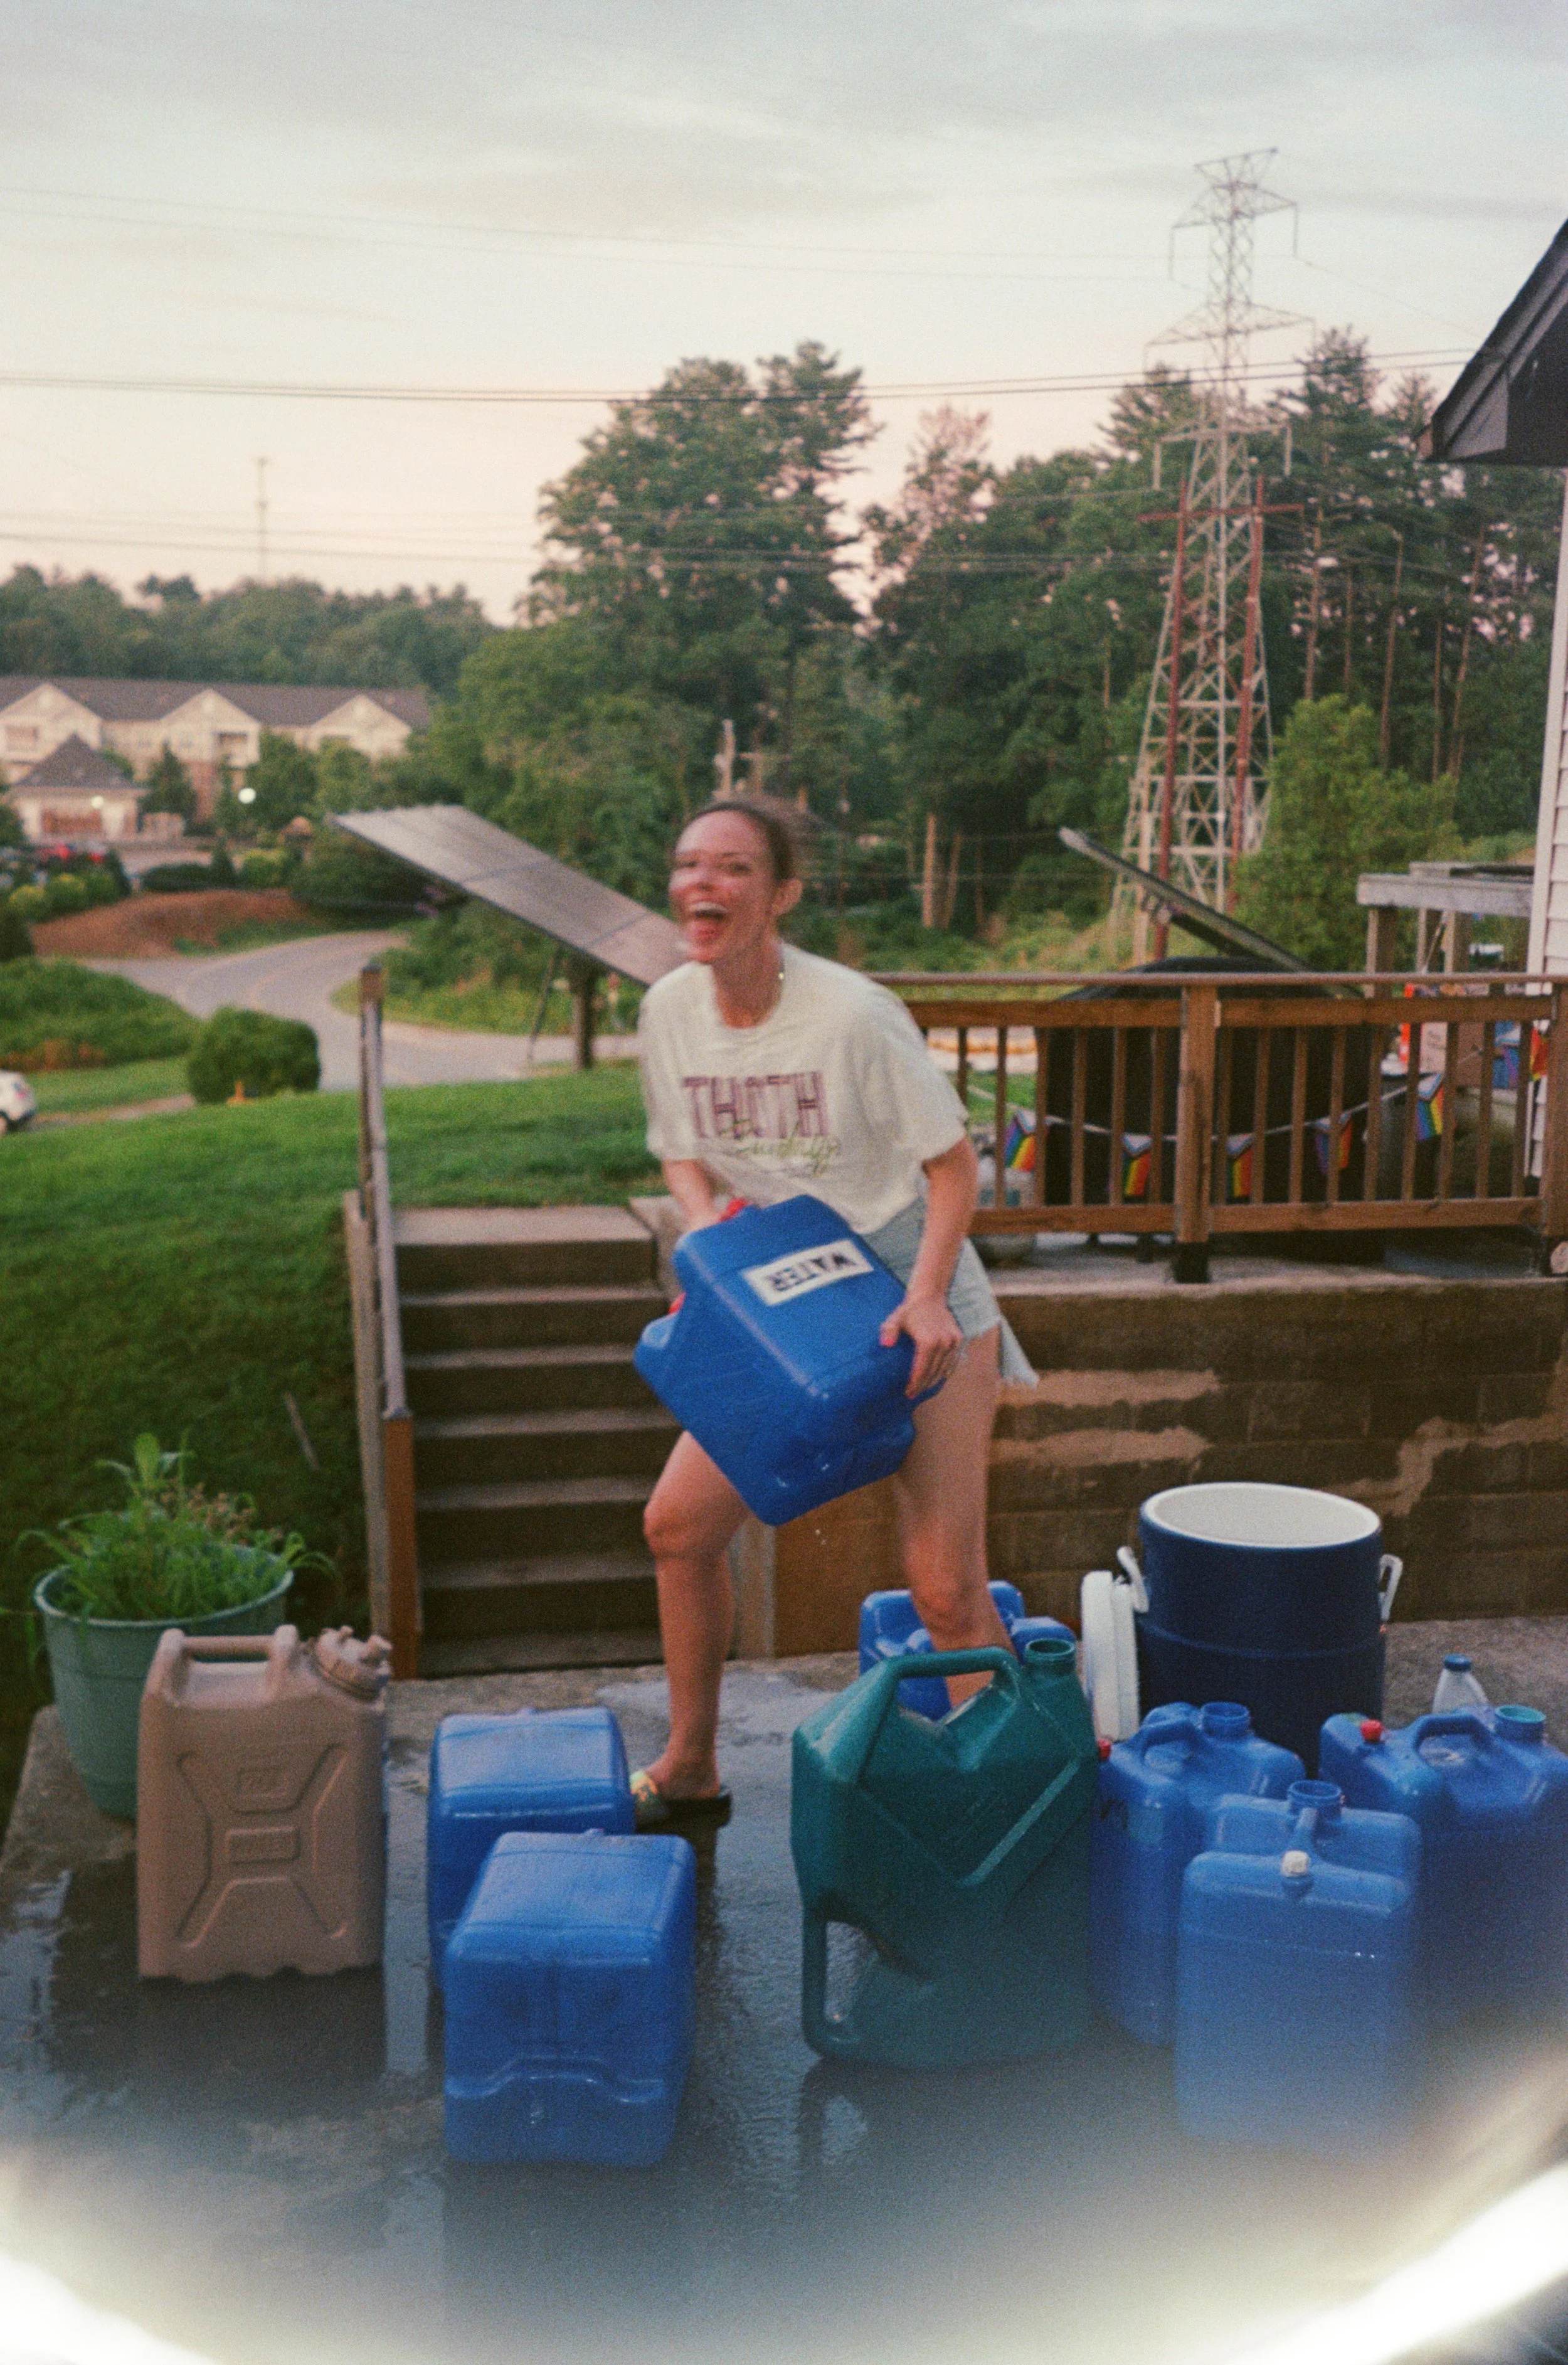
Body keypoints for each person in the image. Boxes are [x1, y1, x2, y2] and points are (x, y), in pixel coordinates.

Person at [630, 797, 1034, 1829]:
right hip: (789, 1299)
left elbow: (953, 1164)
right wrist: (710, 1237)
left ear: (780, 895)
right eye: (687, 865)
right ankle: (690, 1765)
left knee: (943, 1582)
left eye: (730, 867)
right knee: (678, 1528)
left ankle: (1003, 1812)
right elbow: (680, 1143)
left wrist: (931, 1292)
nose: (701, 883)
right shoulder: (670, 1010)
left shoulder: (851, 1014)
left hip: (914, 1287)